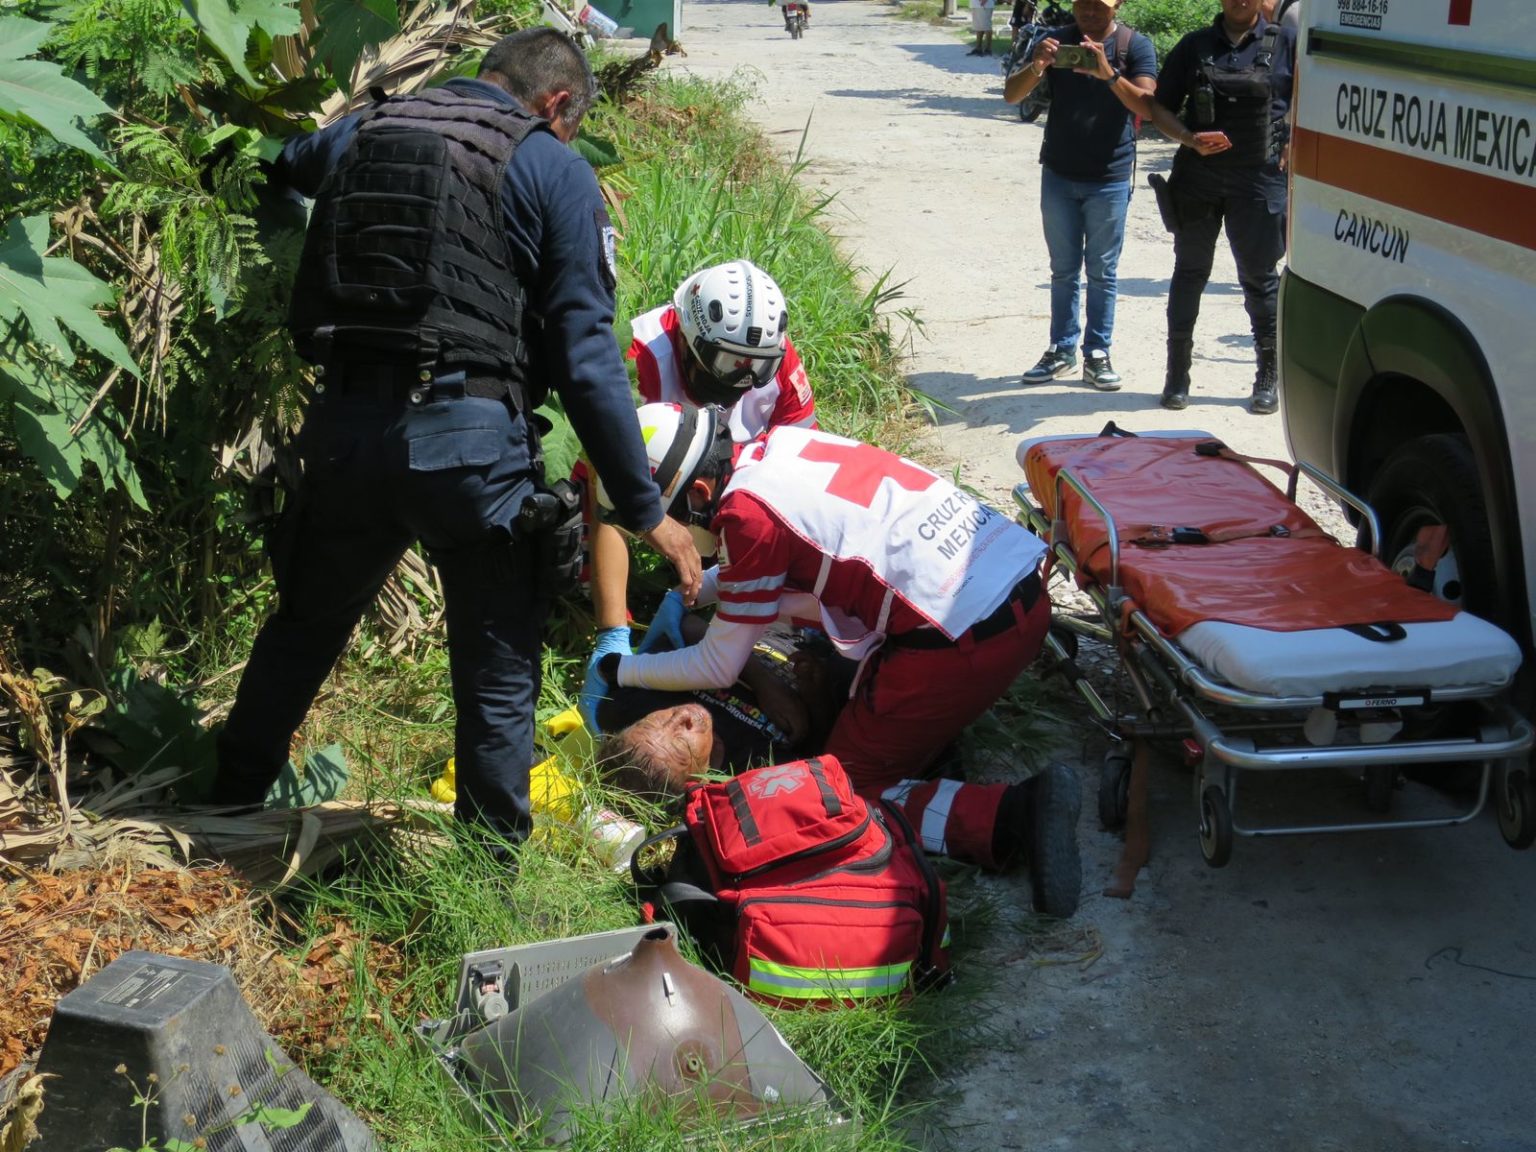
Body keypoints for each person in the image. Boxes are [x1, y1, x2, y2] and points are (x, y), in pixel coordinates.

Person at [208, 29, 702, 849]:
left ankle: (219, 816)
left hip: (343, 433)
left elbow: (276, 161)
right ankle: (489, 875)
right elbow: (585, 358)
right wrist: (647, 508)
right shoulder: (551, 166)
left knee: (300, 632)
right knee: (498, 671)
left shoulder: (365, 132)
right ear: (556, 105)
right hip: (469, 448)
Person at [592, 404, 1084, 916]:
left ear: (697, 495)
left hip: (964, 638)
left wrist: (621, 667)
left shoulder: (747, 518)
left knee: (843, 796)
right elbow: (794, 556)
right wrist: (695, 593)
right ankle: (920, 746)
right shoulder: (775, 452)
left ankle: (1013, 815)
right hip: (1014, 586)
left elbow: (718, 666)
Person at [580, 260, 816, 732]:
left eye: (754, 368)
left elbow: (800, 475)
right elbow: (607, 496)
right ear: (687, 338)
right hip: (657, 496)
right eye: (727, 363)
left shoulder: (778, 364)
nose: (739, 379)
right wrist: (613, 634)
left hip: (733, 497)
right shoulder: (640, 360)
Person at [1126, 0, 1297, 413]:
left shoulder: (1287, 41)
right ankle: (1176, 377)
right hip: (1198, 179)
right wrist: (1187, 138)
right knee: (1189, 273)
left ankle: (1267, 379)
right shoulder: (1194, 45)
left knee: (1260, 280)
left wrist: (1292, 145)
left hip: (1258, 179)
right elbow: (1157, 106)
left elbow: (1307, 98)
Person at [1004, 0, 1157, 392]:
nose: (1089, 11)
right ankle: (1061, 348)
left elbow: (1148, 106)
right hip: (1058, 172)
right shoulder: (1054, 39)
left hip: (1109, 175)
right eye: (1083, 3)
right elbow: (1012, 96)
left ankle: (1098, 354)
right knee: (1063, 270)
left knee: (1102, 272)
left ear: (1117, 5)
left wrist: (1107, 73)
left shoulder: (1133, 46)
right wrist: (1037, 64)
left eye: (1099, 5)